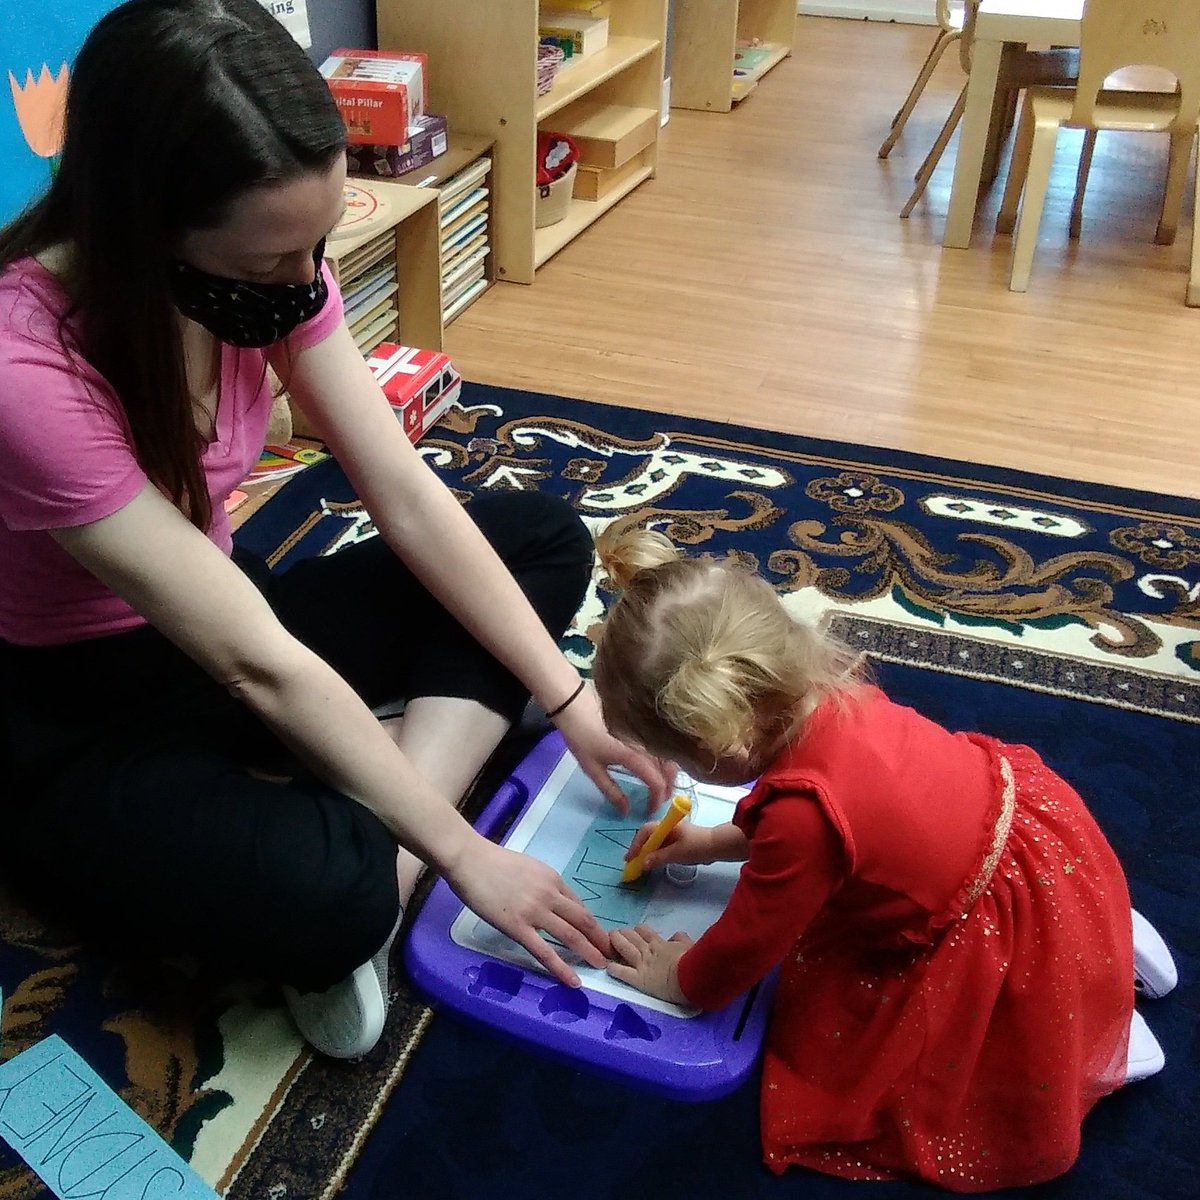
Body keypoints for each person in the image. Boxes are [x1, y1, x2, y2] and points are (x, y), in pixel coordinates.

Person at [0, 0, 670, 1060]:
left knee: (538, 535)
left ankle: (370, 802)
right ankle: (379, 842)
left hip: (225, 609)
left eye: (315, 244)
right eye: (270, 261)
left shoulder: (260, 273)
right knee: (329, 899)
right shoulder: (24, 371)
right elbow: (257, 665)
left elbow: (403, 494)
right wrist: (459, 855)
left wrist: (567, 696)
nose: (305, 281)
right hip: (79, 708)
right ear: (142, 228)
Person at [590, 524, 1174, 1192]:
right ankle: (1098, 937)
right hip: (1040, 846)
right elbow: (841, 820)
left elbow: (748, 941)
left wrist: (678, 979)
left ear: (715, 744)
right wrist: (713, 843)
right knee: (1058, 909)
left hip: (990, 934)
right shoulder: (830, 693)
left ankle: (1091, 1035)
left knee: (868, 1052)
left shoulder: (802, 821)